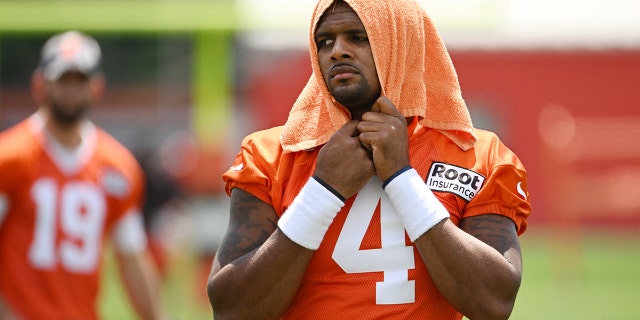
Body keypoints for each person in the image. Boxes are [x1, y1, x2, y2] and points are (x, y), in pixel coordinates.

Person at [207, 0, 532, 319]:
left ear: (399, 41)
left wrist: (402, 179)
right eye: (324, 41)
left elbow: (494, 304)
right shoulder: (270, 155)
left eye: (358, 37)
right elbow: (232, 309)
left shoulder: (478, 155)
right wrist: (322, 191)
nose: (337, 50)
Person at [0, 30, 165, 320]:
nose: (71, 90)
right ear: (40, 85)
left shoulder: (118, 166)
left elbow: (131, 256)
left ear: (97, 87)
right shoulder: (11, 156)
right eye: (63, 81)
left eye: (80, 81)